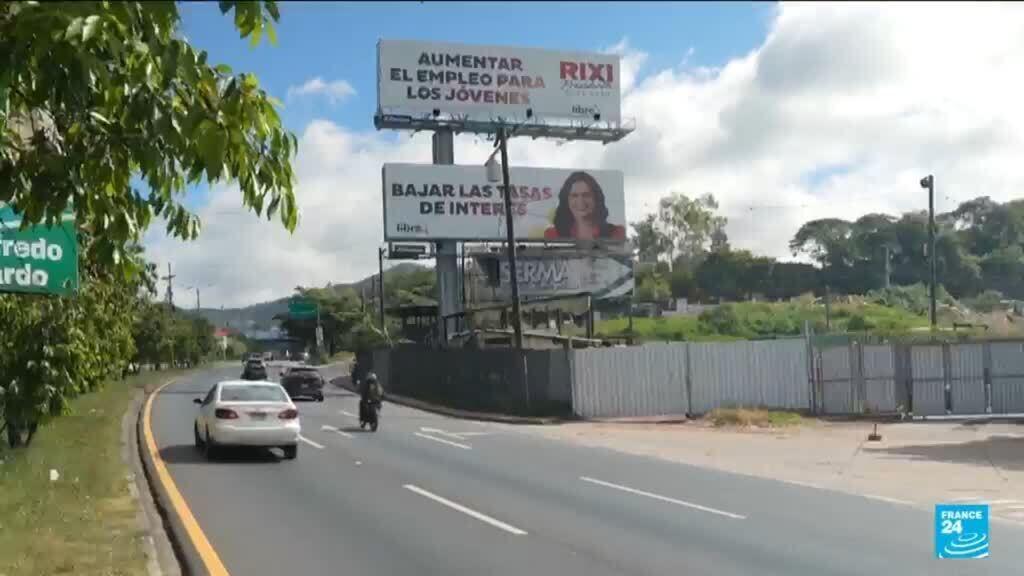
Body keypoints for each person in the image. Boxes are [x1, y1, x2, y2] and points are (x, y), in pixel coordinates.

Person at [543, 171, 626, 241]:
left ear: (596, 198)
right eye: (574, 195)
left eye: (586, 195)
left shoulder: (616, 232)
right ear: (566, 200)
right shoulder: (552, 234)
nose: (580, 202)